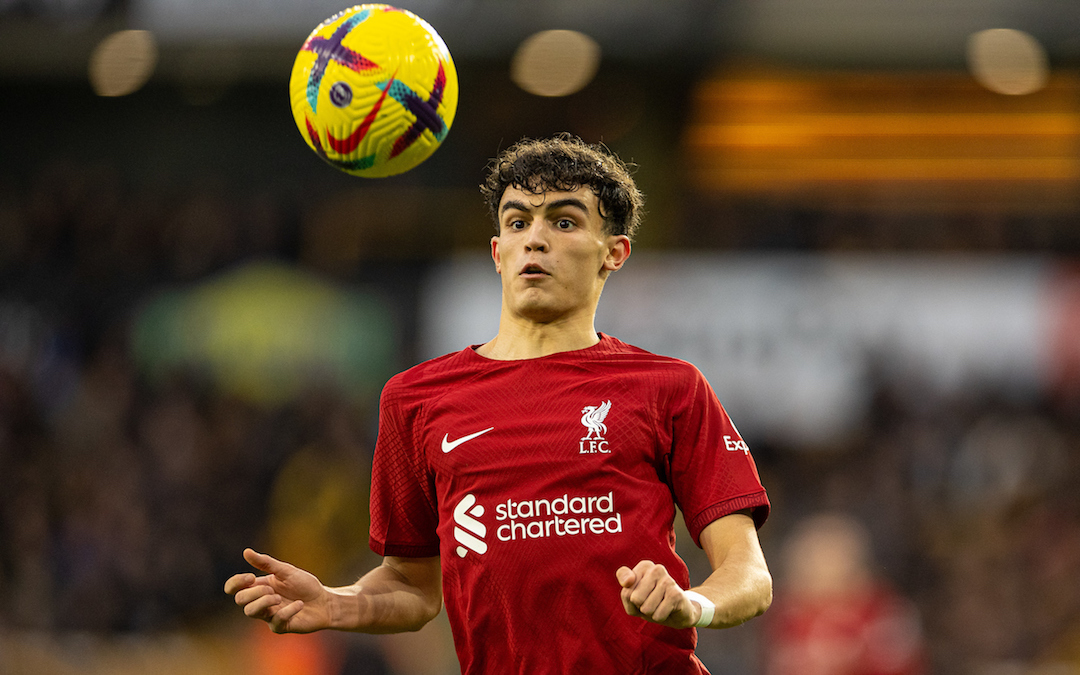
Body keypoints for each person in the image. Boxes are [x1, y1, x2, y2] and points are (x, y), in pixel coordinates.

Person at [226, 133, 773, 674]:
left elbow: (749, 574)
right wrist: (333, 603)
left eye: (563, 221)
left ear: (614, 253)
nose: (535, 239)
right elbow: (412, 586)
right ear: (497, 252)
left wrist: (690, 604)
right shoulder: (415, 399)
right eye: (517, 222)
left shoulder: (669, 387)